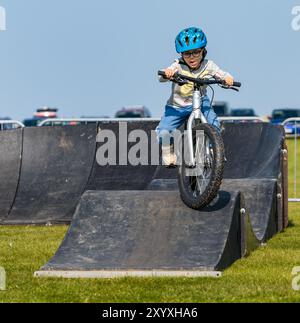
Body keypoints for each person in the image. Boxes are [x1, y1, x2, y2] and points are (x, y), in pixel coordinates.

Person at [157, 27, 235, 167]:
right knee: (164, 131)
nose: (192, 57)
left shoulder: (208, 65)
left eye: (196, 52)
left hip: (201, 103)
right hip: (177, 106)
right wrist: (167, 73)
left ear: (203, 51)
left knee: (213, 123)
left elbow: (221, 74)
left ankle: (214, 149)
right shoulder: (178, 66)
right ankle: (168, 152)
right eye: (187, 54)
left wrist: (228, 79)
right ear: (182, 55)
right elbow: (161, 77)